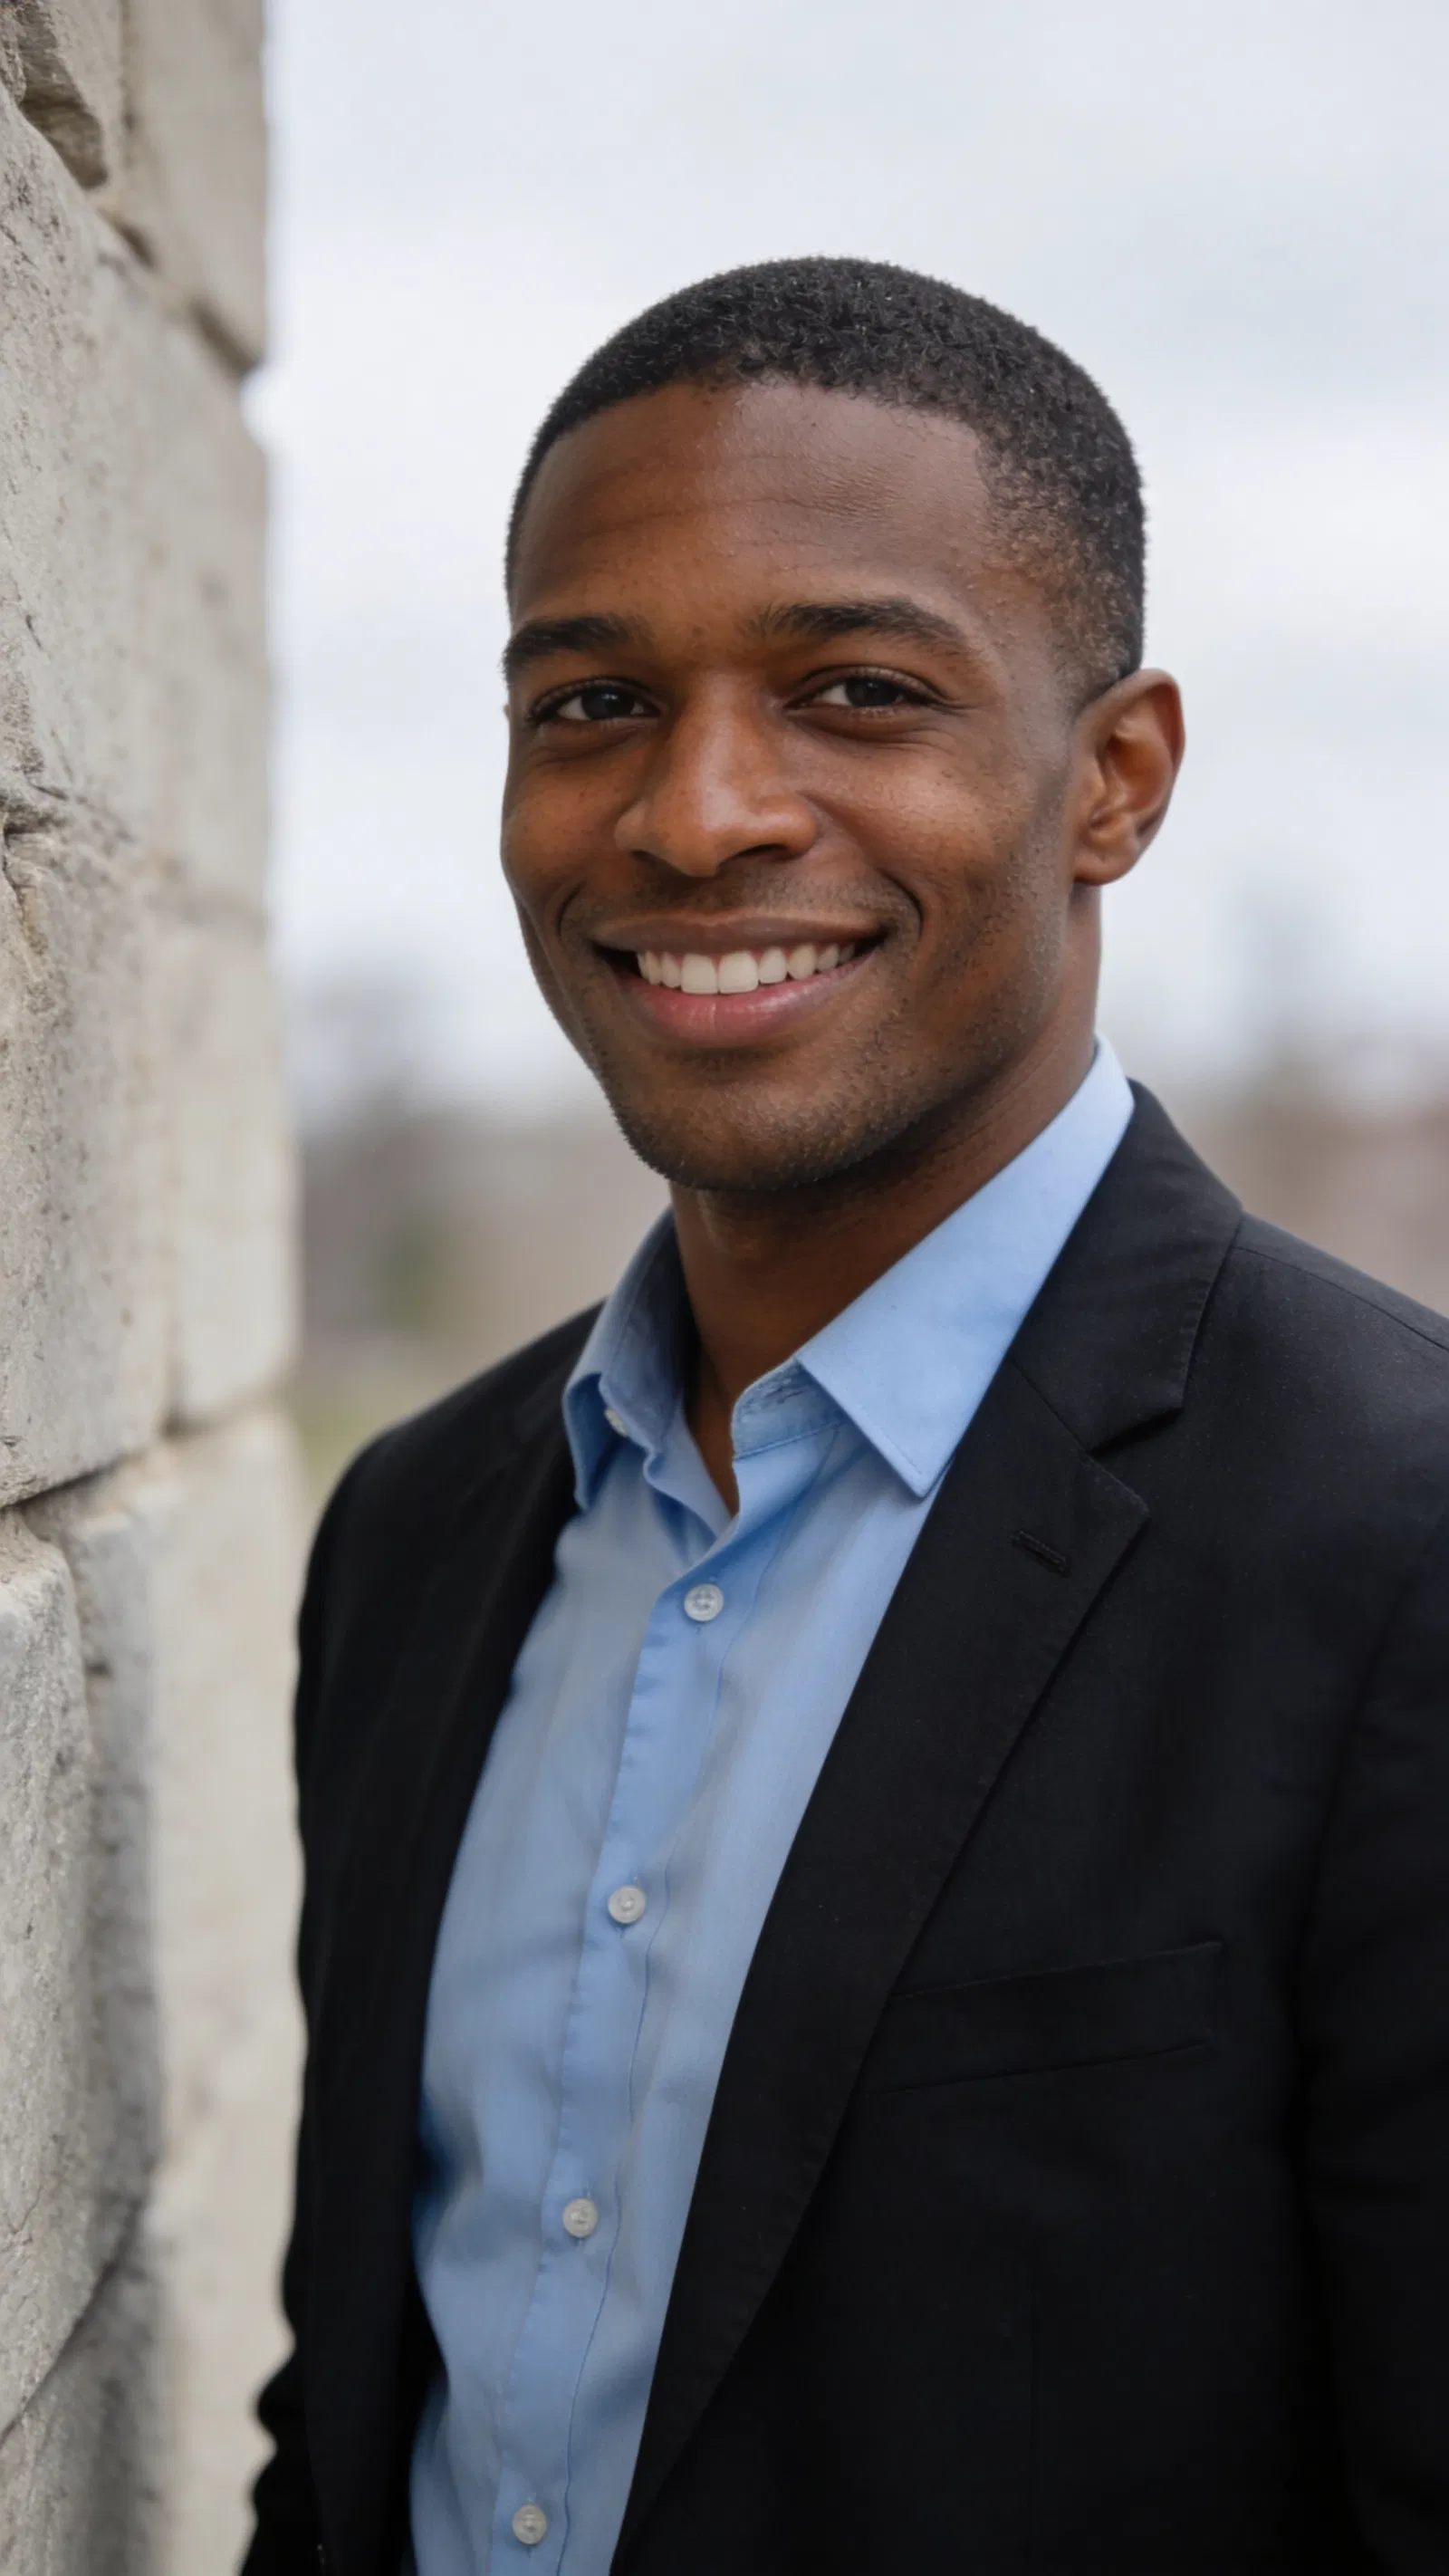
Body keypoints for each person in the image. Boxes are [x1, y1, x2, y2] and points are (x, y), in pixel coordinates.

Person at [243, 259, 1449, 2576]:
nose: (694, 818)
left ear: (1111, 780)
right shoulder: (412, 1532)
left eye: (854, 692)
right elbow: (366, 2392)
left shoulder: (1389, 1550)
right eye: (590, 699)